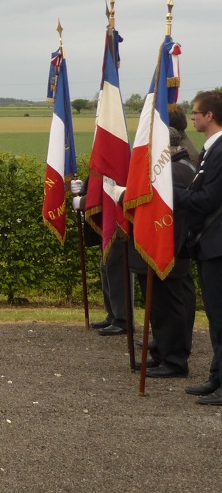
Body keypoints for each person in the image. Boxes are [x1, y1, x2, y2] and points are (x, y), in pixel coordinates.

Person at [129, 126, 197, 378]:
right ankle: (162, 352)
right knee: (159, 306)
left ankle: (174, 360)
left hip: (170, 248)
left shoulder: (174, 171)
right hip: (167, 247)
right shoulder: (177, 166)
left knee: (169, 306)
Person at [174, 89, 222, 404]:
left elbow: (207, 200)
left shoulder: (220, 151)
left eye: (195, 112)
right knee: (216, 319)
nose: (192, 117)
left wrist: (171, 192)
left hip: (217, 247)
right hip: (210, 246)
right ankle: (217, 378)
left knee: (221, 317)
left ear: (209, 116)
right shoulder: (210, 150)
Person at [70, 177, 130, 335]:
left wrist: (82, 201)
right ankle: (113, 314)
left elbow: (106, 194)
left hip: (116, 224)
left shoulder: (113, 163)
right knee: (106, 269)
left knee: (116, 272)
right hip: (106, 225)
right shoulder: (103, 163)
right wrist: (83, 189)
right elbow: (98, 188)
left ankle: (123, 319)